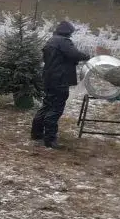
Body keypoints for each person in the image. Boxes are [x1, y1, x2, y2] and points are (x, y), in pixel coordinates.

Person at [31, 21, 91, 149]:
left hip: (49, 78)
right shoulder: (64, 42)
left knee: (47, 105)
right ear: (68, 32)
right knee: (56, 108)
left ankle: (36, 133)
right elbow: (74, 54)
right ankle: (50, 139)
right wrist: (87, 56)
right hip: (60, 80)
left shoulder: (52, 40)